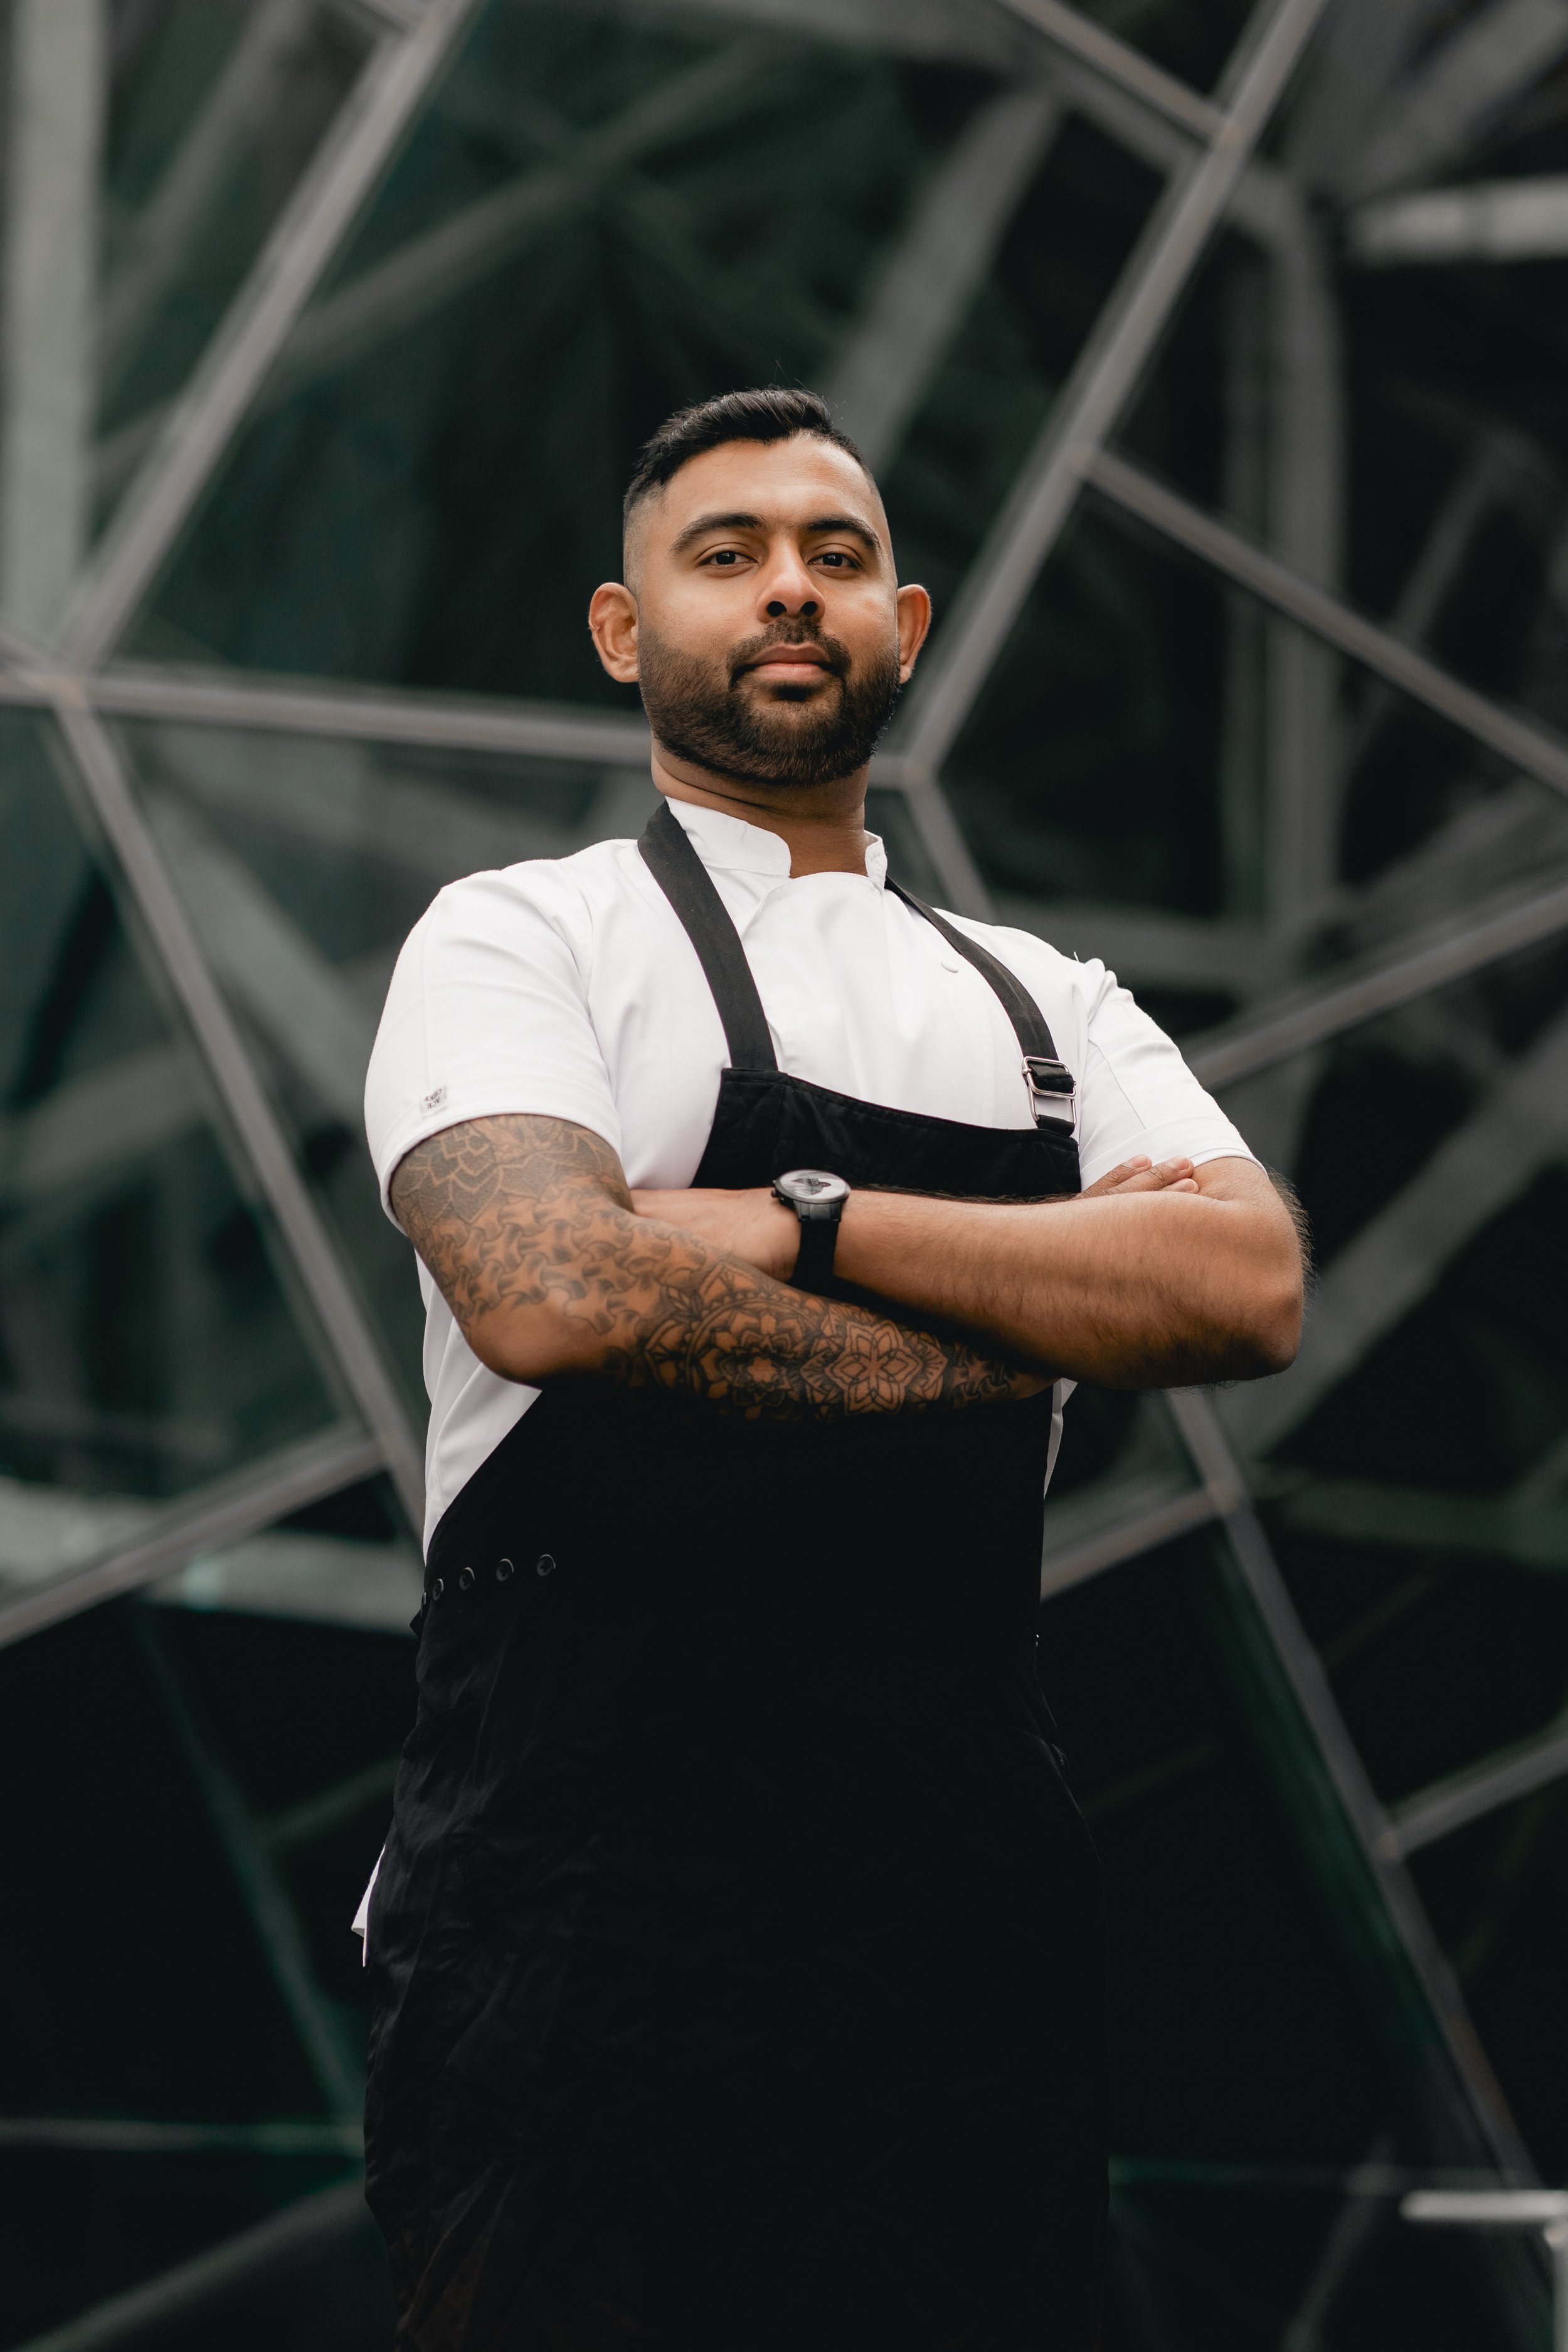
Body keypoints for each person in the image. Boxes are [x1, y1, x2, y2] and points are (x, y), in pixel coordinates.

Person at [358, 386, 1304, 2351]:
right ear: (627, 635)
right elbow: (549, 1288)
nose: (788, 591)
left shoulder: (1045, 1000)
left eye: (836, 556)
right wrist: (1011, 1349)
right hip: (575, 1887)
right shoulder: (521, 936)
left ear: (909, 626)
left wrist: (797, 1218)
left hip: (955, 1893)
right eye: (726, 556)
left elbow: (1240, 1283)